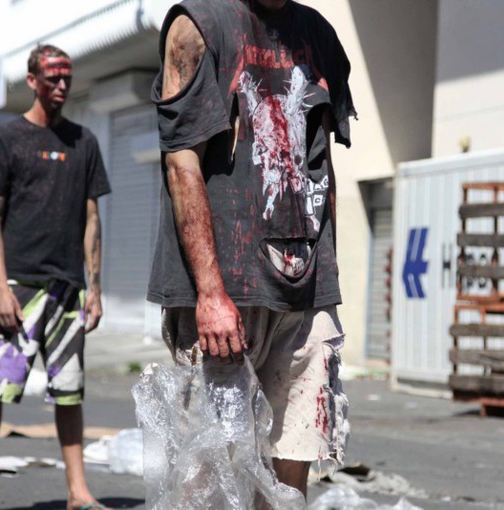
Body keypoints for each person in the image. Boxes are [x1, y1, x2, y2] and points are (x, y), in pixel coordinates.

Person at [147, 0, 355, 499]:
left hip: (305, 289)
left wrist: (326, 279)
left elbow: (322, 167)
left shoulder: (320, 36)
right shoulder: (198, 25)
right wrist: (210, 294)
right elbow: (181, 163)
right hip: (225, 291)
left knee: (295, 458)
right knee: (213, 470)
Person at [0, 45, 112, 510]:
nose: (62, 86)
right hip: (18, 288)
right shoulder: (7, 138)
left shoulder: (84, 142)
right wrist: (1, 287)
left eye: (67, 78)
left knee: (69, 393)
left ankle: (78, 492)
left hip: (68, 291)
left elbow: (92, 218)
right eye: (52, 79)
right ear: (32, 81)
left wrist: (95, 290)